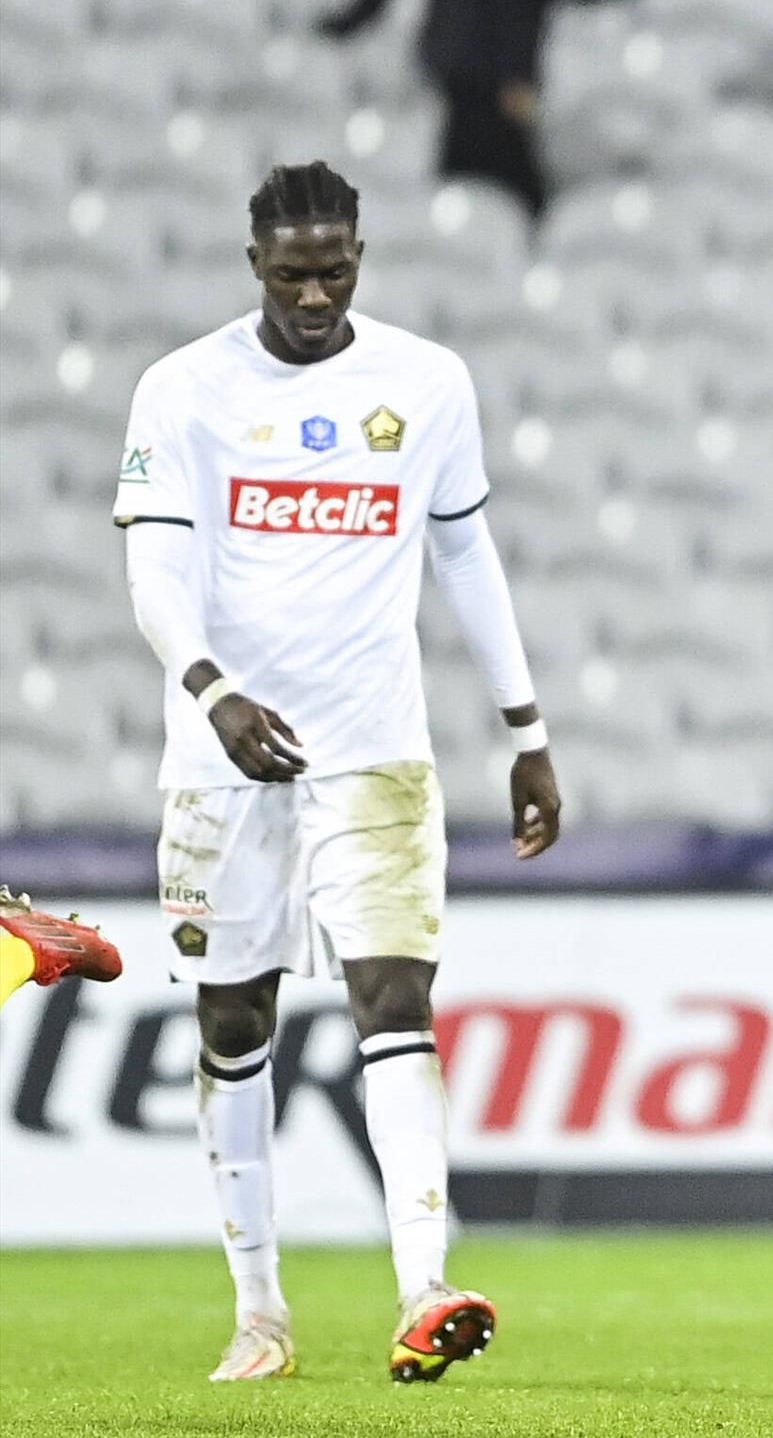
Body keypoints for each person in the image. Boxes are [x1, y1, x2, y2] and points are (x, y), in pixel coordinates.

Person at [114, 162, 561, 1383]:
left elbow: (466, 554)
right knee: (233, 1018)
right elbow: (154, 572)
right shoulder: (185, 389)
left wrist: (525, 729)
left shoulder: (424, 383)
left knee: (394, 1001)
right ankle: (260, 1313)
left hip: (373, 747)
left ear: (359, 253)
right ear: (254, 261)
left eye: (337, 267)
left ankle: (426, 1284)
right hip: (224, 758)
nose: (317, 291)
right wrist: (213, 693)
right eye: (294, 270)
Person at [318, 0, 620, 221]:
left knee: (477, 164)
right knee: (497, 173)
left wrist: (346, 24)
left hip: (485, 73)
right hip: (482, 73)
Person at [0, 889, 124, 1011]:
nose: (23, 898)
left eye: (71, 919)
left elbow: (108, 962)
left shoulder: (18, 952)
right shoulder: (18, 953)